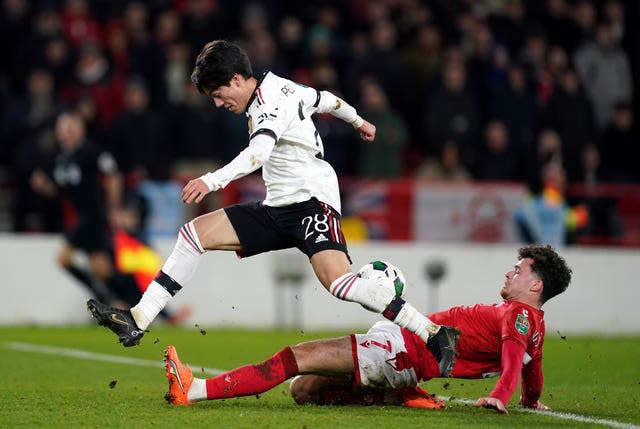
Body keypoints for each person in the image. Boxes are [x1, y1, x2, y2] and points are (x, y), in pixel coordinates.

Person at [87, 40, 444, 349]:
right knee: (193, 235)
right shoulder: (284, 88)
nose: (217, 104)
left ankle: (430, 332)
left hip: (310, 204)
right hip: (277, 208)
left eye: (218, 95)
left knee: (341, 284)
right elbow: (327, 100)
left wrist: (210, 181)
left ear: (237, 79)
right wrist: (359, 122)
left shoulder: (272, 101)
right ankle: (139, 317)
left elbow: (258, 154)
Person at [163, 244, 571, 415]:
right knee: (303, 391)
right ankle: (396, 396)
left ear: (535, 285)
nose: (510, 272)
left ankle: (194, 390)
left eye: (518, 270)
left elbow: (516, 360)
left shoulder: (519, 315)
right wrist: (530, 401)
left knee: (292, 358)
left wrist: (500, 397)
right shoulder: (535, 324)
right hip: (404, 355)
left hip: (400, 349)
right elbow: (531, 368)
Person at [30, 111, 122, 305]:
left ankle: (105, 300)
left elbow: (113, 176)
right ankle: (120, 303)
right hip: (81, 218)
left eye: (70, 129)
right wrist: (43, 186)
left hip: (94, 217)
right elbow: (57, 190)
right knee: (101, 269)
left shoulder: (91, 151)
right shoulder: (61, 157)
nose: (66, 134)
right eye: (62, 130)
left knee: (63, 258)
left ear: (80, 130)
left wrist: (114, 208)